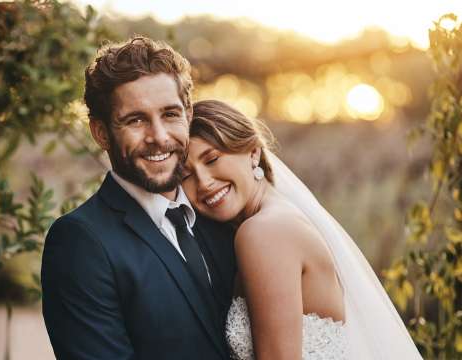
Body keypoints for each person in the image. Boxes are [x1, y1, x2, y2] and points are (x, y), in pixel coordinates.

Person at [41, 38, 236, 360]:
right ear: (101, 133)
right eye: (135, 120)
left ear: (188, 115)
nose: (158, 137)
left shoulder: (220, 213)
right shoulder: (80, 242)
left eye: (170, 114)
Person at [181, 99, 423, 359]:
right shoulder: (281, 217)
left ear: (253, 152)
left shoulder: (264, 233)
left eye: (212, 159)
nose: (203, 182)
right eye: (185, 175)